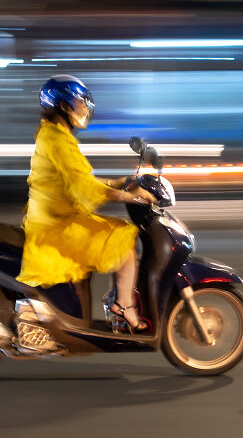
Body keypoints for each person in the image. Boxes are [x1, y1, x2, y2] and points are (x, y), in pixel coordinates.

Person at [16, 75, 157, 333]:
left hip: (54, 218)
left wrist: (120, 182)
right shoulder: (57, 141)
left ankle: (117, 302)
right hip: (55, 225)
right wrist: (133, 196)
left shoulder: (56, 135)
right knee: (125, 240)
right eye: (80, 102)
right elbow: (84, 188)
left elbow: (80, 180)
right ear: (64, 105)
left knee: (118, 232)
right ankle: (124, 307)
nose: (85, 108)